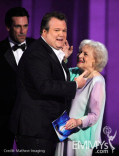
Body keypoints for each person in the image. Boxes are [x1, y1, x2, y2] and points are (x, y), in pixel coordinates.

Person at [9, 11, 87, 156]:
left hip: (47, 129)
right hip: (35, 131)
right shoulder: (37, 53)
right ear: (44, 32)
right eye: (56, 30)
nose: (62, 34)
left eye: (64, 30)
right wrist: (75, 85)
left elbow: (52, 74)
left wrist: (63, 59)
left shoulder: (49, 51)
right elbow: (44, 86)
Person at [55, 39, 108, 156]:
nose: (79, 55)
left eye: (85, 54)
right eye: (80, 52)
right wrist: (63, 58)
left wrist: (78, 121)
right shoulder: (74, 72)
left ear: (95, 60)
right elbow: (55, 80)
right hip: (63, 133)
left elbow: (95, 115)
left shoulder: (97, 81)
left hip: (81, 140)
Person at [0, 7, 35, 155]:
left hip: (31, 118)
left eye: (25, 26)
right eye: (18, 26)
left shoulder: (38, 47)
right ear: (8, 27)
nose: (22, 31)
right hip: (3, 118)